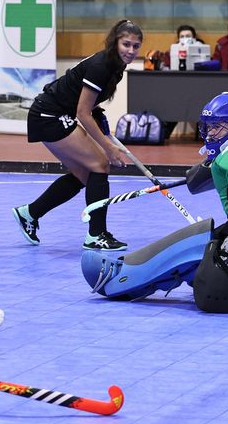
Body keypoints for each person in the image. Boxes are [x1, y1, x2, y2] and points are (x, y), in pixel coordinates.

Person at [82, 91, 228, 311]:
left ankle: (123, 278)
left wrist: (223, 255)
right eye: (210, 126)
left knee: (193, 254)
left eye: (219, 127)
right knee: (202, 251)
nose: (211, 133)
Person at [11, 19, 143, 251]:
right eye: (126, 44)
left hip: (59, 112)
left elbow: (84, 101)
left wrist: (97, 112)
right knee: (100, 164)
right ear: (114, 42)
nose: (131, 51)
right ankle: (96, 235)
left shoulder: (116, 66)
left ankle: (29, 213)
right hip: (49, 115)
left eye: (136, 46)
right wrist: (109, 148)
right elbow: (82, 113)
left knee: (85, 174)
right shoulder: (102, 66)